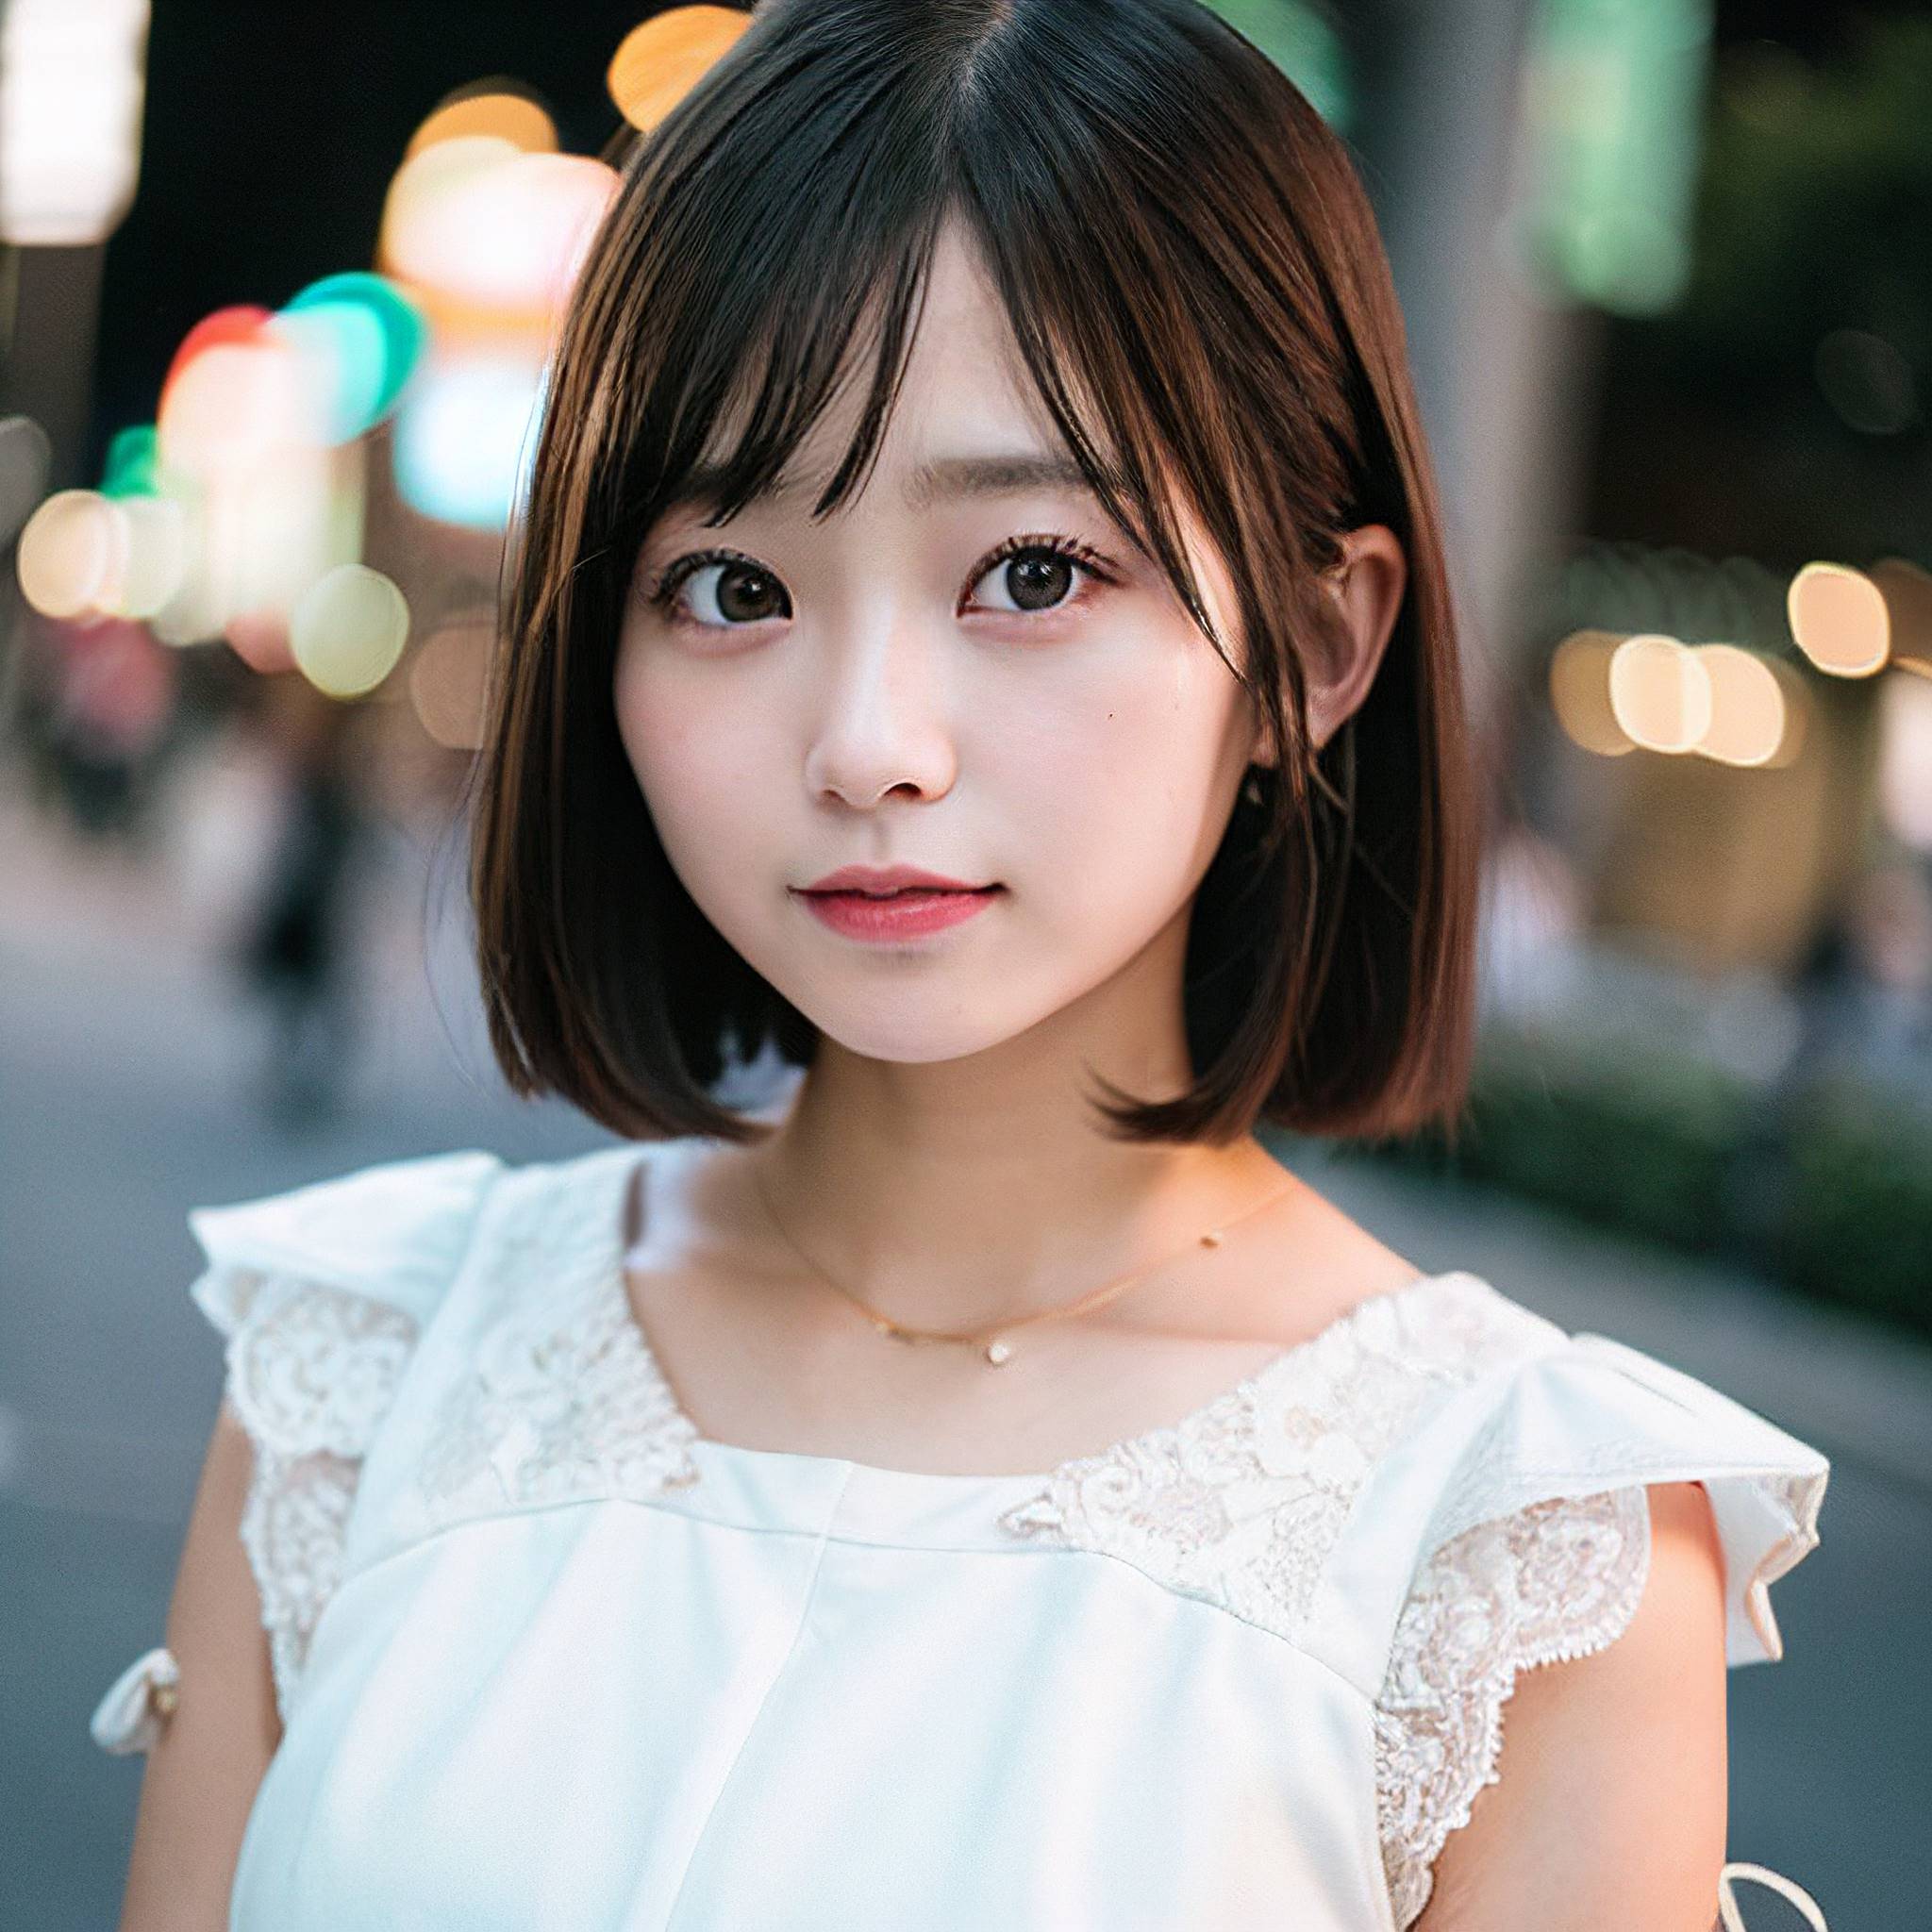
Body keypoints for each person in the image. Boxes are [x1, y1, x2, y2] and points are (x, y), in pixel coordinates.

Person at [93, 2, 1832, 1925]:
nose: (869, 743)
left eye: (1029, 572)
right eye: (731, 587)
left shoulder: (1518, 1554)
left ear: (1316, 651)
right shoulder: (362, 1370)